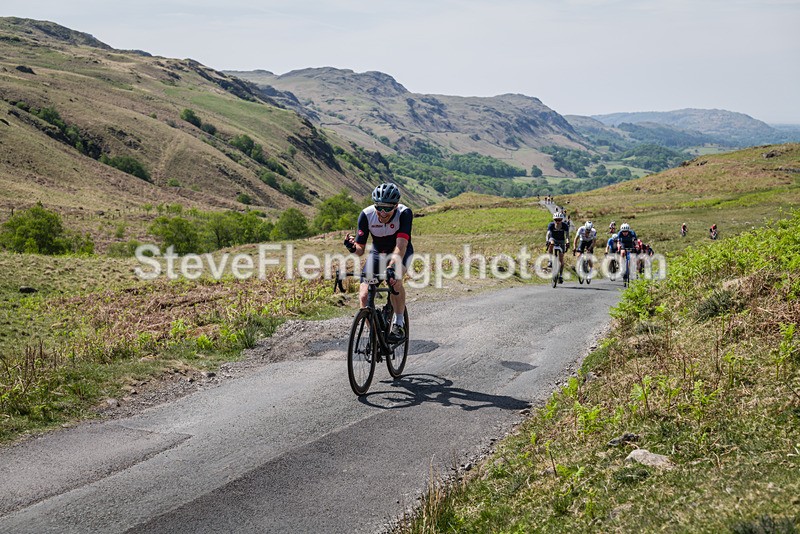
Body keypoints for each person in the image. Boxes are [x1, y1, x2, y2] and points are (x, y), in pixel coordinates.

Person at [344, 183, 413, 342]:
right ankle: (375, 337)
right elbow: (360, 250)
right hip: (377, 253)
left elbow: (401, 245)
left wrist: (391, 267)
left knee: (395, 281)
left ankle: (399, 323)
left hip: (400, 251)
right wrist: (351, 247)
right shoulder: (366, 214)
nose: (383, 212)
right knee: (364, 295)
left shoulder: (404, 213)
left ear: (396, 206)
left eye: (387, 208)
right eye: (379, 207)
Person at [546, 212, 570, 283]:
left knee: (561, 260)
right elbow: (548, 234)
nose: (558, 221)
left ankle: (561, 275)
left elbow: (567, 236)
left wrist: (567, 242)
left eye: (559, 220)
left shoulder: (565, 225)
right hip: (553, 239)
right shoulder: (551, 225)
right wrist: (547, 241)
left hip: (561, 240)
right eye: (556, 220)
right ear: (554, 220)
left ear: (562, 220)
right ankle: (550, 260)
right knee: (551, 243)